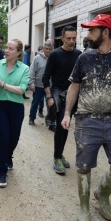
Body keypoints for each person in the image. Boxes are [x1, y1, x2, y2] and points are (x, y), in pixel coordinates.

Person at [61, 14, 111, 221]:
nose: (88, 35)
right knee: (83, 166)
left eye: (92, 30)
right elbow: (74, 86)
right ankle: (84, 207)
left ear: (105, 32)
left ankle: (102, 194)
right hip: (87, 120)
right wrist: (67, 113)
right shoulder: (84, 57)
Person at [42, 25, 81, 174]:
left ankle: (60, 153)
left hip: (73, 95)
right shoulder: (55, 54)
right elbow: (45, 77)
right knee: (61, 125)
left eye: (74, 38)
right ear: (62, 38)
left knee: (66, 126)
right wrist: (50, 97)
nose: (71, 41)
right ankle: (57, 157)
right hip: (58, 95)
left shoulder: (79, 54)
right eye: (68, 38)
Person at [0, 39, 29, 187]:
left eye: (11, 49)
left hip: (16, 107)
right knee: (3, 138)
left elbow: (22, 89)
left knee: (14, 138)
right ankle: (2, 172)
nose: (6, 50)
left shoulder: (24, 68)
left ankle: (8, 156)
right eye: (6, 48)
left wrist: (3, 84)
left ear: (19, 52)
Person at [28, 41, 52, 125]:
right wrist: (31, 83)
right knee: (35, 103)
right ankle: (31, 118)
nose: (48, 50)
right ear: (43, 48)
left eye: (49, 49)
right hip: (38, 86)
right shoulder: (37, 58)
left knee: (50, 105)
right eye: (46, 48)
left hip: (49, 86)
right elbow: (31, 71)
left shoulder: (52, 58)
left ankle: (50, 121)